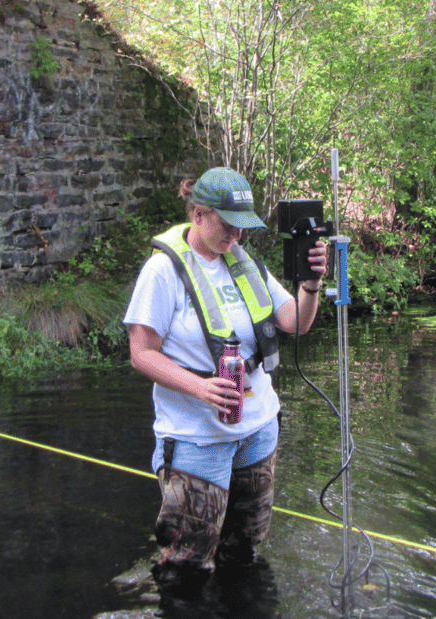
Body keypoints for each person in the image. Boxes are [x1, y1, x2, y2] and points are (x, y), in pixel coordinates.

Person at [124, 166, 327, 593]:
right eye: (226, 225)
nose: (235, 236)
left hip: (258, 430)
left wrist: (311, 285)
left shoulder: (244, 262)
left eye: (241, 228)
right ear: (198, 214)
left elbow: (294, 322)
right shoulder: (162, 271)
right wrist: (199, 387)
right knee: (187, 566)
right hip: (196, 438)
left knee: (244, 555)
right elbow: (141, 354)